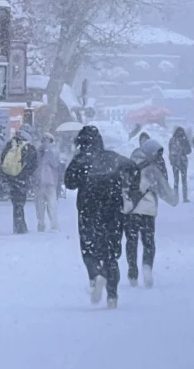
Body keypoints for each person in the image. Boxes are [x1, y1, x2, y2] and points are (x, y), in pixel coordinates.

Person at [64, 124, 135, 308]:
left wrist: (81, 174)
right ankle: (112, 295)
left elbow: (69, 183)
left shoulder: (80, 160)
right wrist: (129, 191)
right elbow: (134, 169)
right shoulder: (114, 158)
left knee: (89, 248)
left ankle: (96, 274)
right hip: (113, 211)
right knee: (111, 254)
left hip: (88, 211)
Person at [124, 136, 178, 287]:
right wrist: (174, 198)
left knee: (131, 241)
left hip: (131, 210)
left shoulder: (128, 165)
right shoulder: (152, 169)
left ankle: (132, 271)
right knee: (148, 242)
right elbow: (166, 192)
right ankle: (147, 267)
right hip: (148, 211)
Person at [0, 125, 38, 234]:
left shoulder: (10, 144)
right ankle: (20, 226)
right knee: (20, 202)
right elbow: (34, 164)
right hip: (22, 179)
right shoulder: (29, 146)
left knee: (16, 203)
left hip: (11, 178)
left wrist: (8, 176)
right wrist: (26, 175)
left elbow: (3, 159)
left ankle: (18, 225)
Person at [35, 132, 63, 231]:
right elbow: (57, 165)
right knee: (52, 203)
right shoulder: (54, 150)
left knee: (40, 204)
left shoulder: (38, 150)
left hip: (40, 180)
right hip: (51, 181)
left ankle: (41, 223)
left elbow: (35, 165)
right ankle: (54, 224)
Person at [168, 125, 191, 202]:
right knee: (184, 181)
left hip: (175, 162)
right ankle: (185, 198)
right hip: (183, 162)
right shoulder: (185, 140)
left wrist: (171, 161)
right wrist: (183, 151)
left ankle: (175, 197)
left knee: (176, 180)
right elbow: (189, 151)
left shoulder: (172, 140)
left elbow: (170, 151)